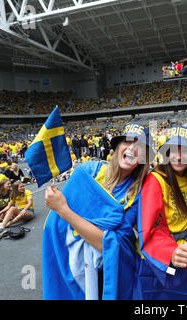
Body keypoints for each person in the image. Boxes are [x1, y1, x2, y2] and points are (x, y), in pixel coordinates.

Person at [43, 122, 152, 300]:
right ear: (117, 148)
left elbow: (110, 244)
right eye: (127, 142)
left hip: (105, 273)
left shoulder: (139, 195)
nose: (132, 148)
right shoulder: (88, 171)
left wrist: (63, 210)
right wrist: (55, 202)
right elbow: (56, 224)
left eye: (139, 146)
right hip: (69, 261)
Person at [133, 126, 187, 300]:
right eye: (172, 150)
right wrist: (170, 253)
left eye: (185, 151)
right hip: (159, 259)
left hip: (186, 255)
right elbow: (147, 229)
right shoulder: (155, 180)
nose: (179, 156)